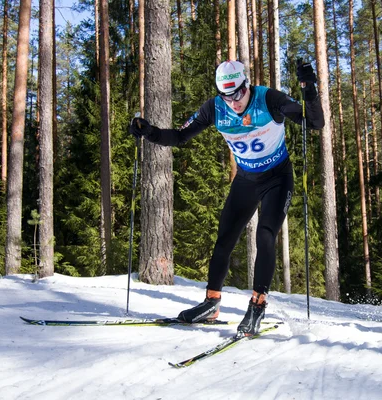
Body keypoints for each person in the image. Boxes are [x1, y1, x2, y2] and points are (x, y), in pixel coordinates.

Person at [129, 60, 324, 336]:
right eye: (226, 94)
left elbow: (314, 122)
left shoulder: (268, 99)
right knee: (225, 239)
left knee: (265, 235)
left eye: (237, 93)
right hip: (246, 180)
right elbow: (180, 136)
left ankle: (257, 306)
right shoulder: (215, 108)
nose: (233, 101)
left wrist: (309, 89)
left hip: (277, 178)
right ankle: (211, 303)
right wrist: (149, 132)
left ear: (247, 84)